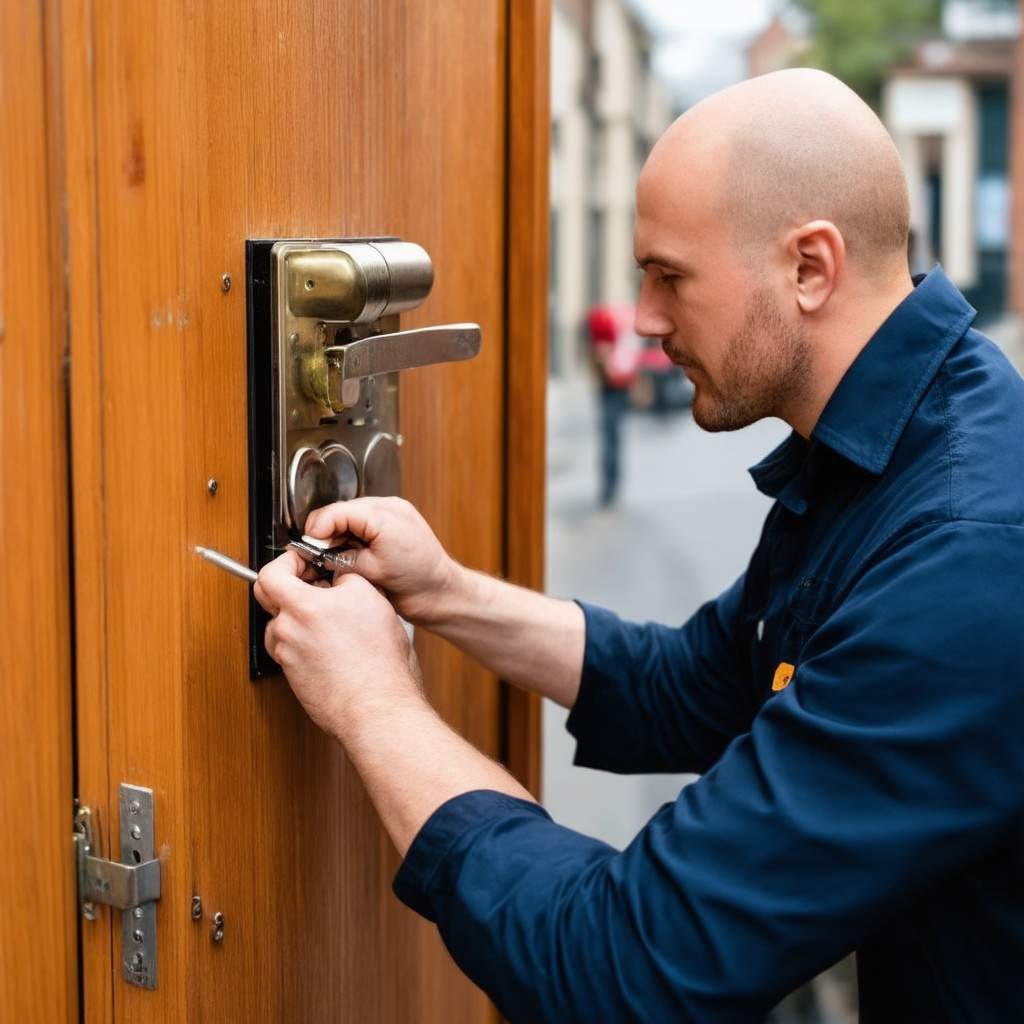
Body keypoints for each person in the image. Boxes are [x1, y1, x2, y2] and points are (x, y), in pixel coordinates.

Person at [253, 69, 1024, 1021]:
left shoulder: (962, 556)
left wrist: (372, 701)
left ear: (809, 269)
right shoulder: (890, 447)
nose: (645, 320)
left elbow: (627, 970)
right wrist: (441, 589)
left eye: (670, 276)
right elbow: (694, 684)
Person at [587, 302, 639, 505]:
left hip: (612, 387)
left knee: (611, 437)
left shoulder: (605, 329)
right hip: (615, 385)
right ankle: (612, 485)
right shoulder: (614, 327)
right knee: (613, 438)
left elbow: (604, 355)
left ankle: (610, 487)